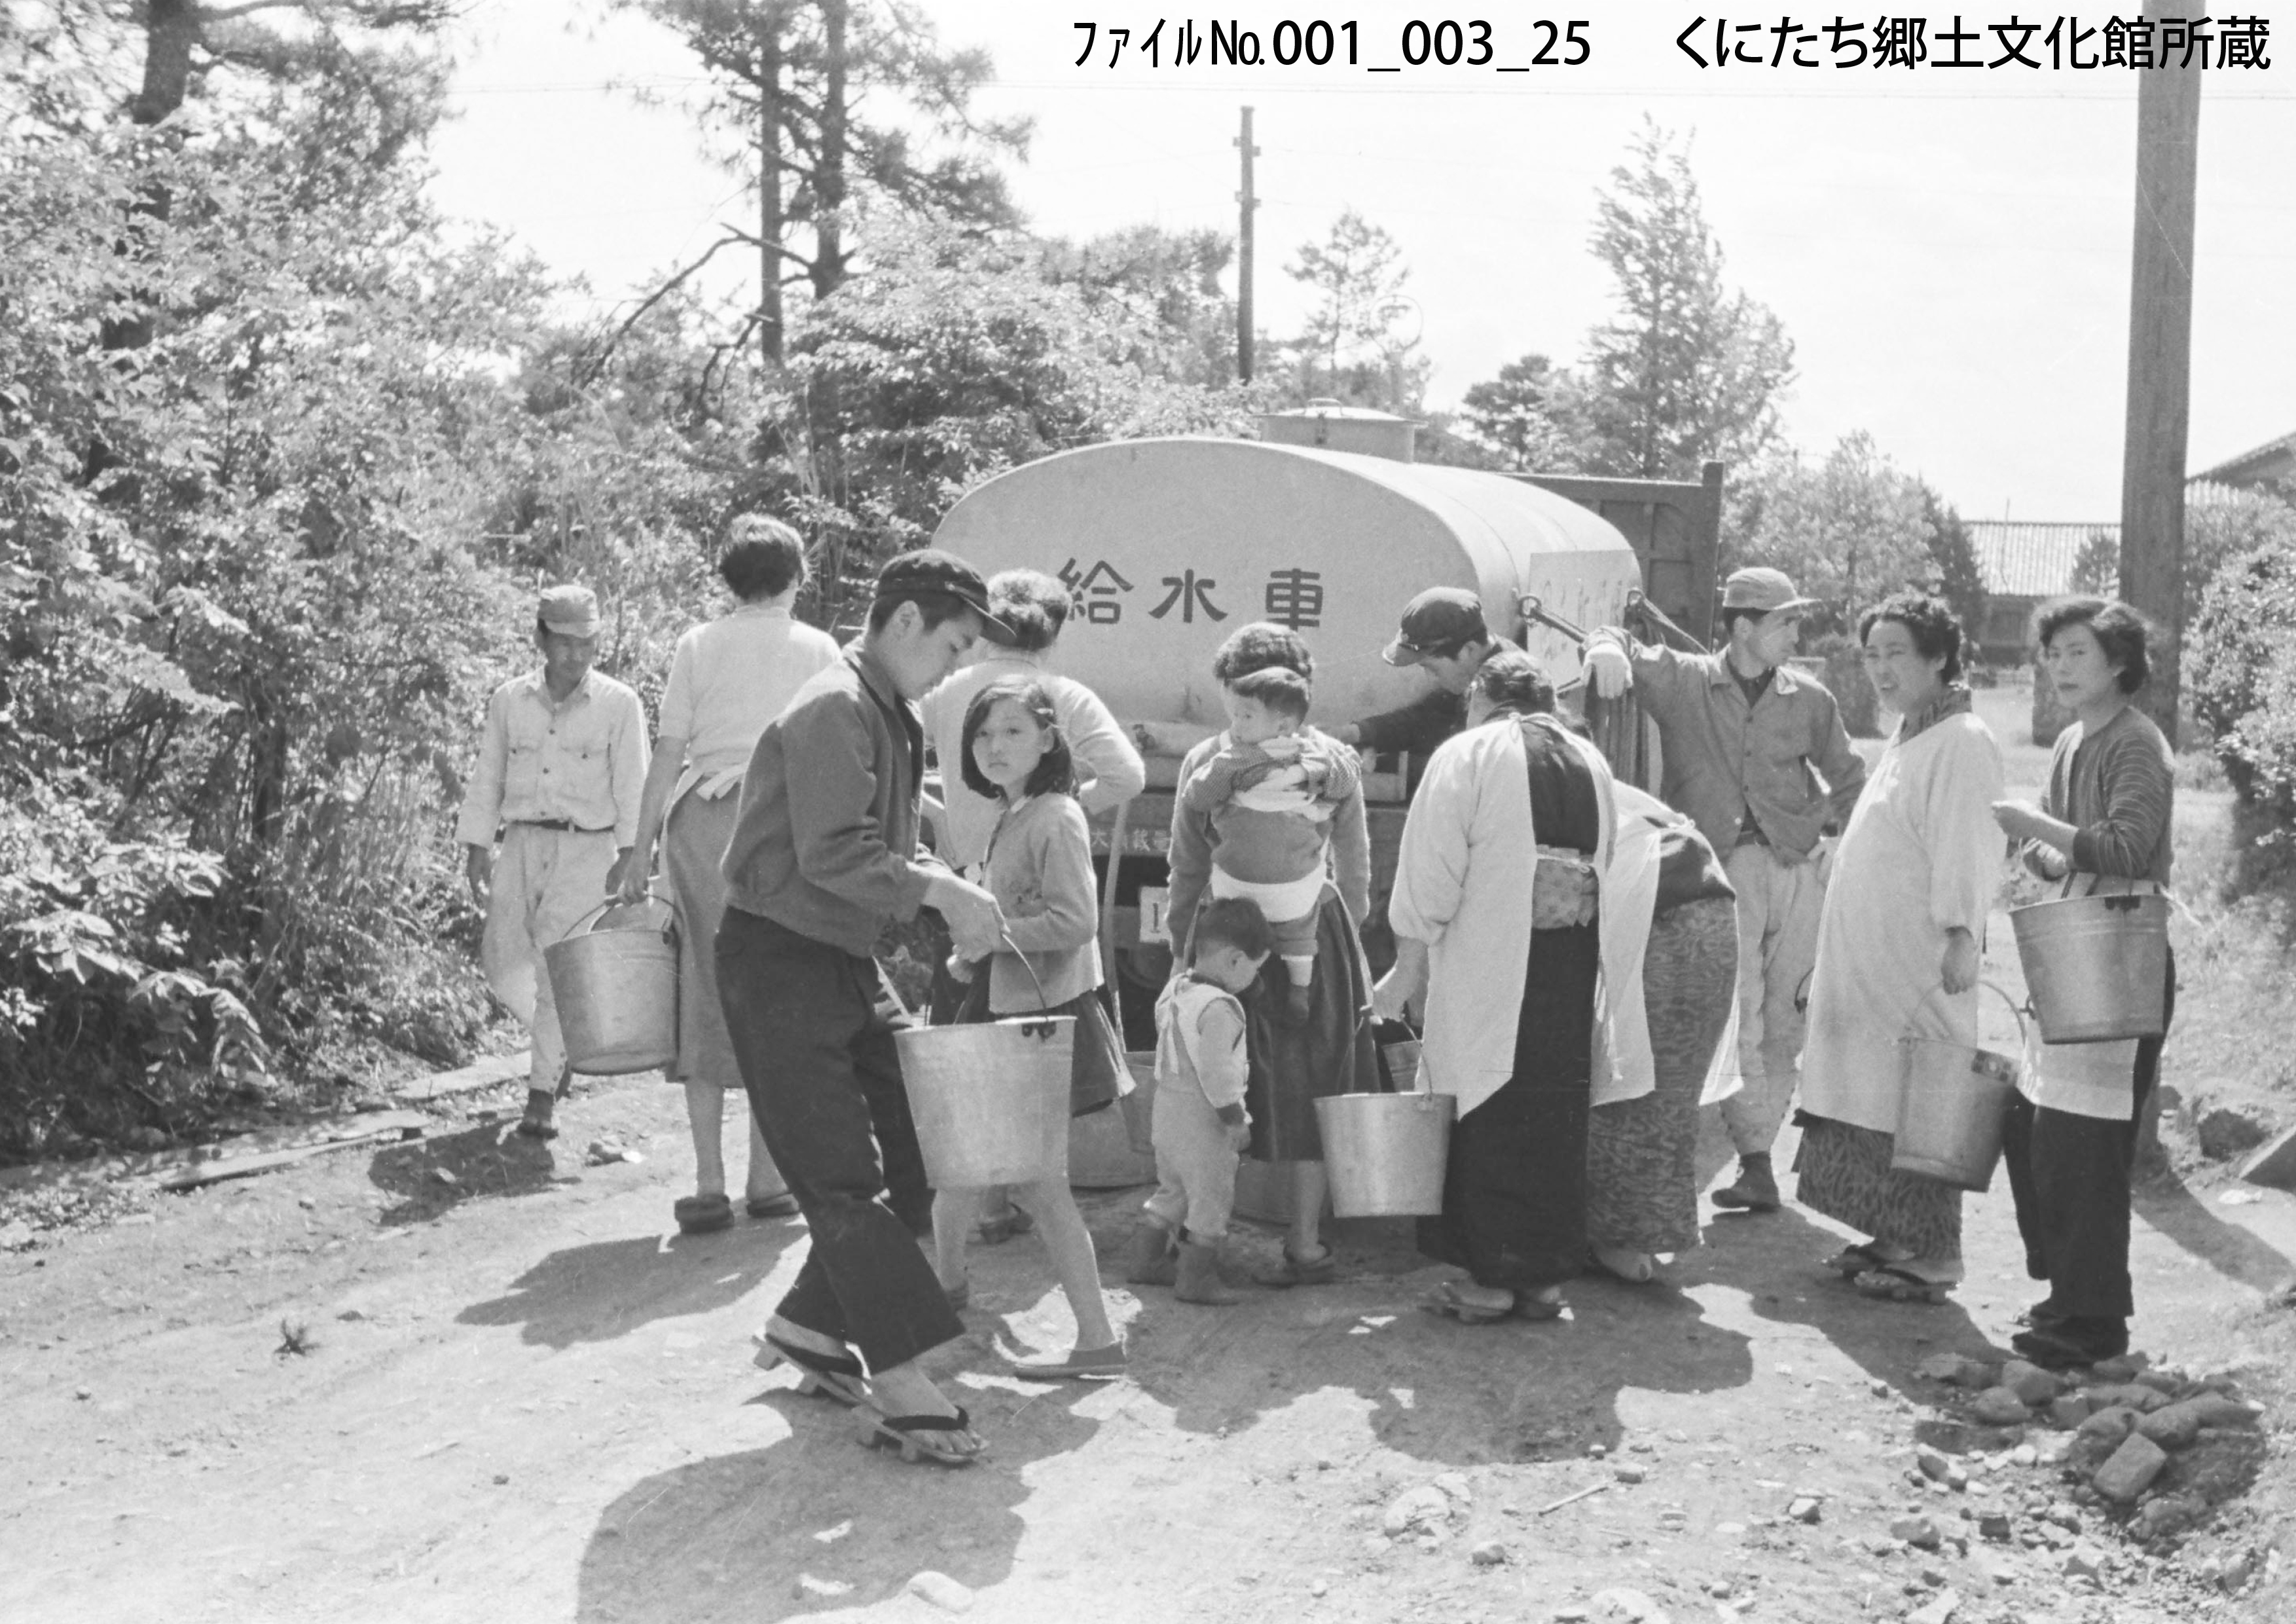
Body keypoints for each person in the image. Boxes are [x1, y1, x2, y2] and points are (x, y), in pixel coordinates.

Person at [715, 548, 1013, 1467]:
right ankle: (897, 1381)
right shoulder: (834, 707)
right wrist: (940, 892)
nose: (958, 664)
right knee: (843, 1179)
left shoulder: (890, 712)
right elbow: (832, 856)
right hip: (779, 957)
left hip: (841, 956)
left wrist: (928, 840)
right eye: (955, 643)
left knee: (923, 1139)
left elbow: (868, 828)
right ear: (905, 623)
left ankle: (811, 1325)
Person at [1584, 566, 1868, 1215]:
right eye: (1784, 622)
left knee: (1788, 1015)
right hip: (1721, 875)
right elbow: (1615, 640)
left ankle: (1760, 1149)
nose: (1797, 633)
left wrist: (1840, 852)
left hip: (1797, 872)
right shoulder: (1684, 681)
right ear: (1743, 627)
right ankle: (1758, 1159)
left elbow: (1852, 782)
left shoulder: (1810, 700)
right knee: (1740, 1014)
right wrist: (1604, 648)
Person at [1376, 650, 1635, 1323]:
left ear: (1479, 701)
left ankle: (1486, 1280)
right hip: (1570, 968)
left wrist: (1409, 960)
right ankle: (1545, 1280)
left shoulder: (1470, 752)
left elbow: (1431, 872)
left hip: (1489, 965)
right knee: (1552, 1112)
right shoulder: (1591, 761)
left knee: (1484, 1106)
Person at [610, 516, 839, 1234]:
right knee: (779, 988)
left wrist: (636, 848)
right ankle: (768, 1179)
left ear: (728, 581)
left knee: (703, 987)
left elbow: (668, 754)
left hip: (703, 825)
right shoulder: (819, 647)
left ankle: (708, 1181)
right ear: (797, 578)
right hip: (783, 822)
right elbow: (830, 754)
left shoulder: (698, 644)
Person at [918, 568, 1143, 1247]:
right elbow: (1129, 774)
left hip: (965, 887)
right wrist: (1067, 806)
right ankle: (1021, 1201)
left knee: (974, 1050)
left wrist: (943, 821)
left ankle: (989, 1205)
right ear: (1055, 630)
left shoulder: (949, 689)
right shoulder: (1064, 693)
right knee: (1023, 1063)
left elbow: (894, 762)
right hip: (1029, 899)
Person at [1795, 593, 2006, 1304]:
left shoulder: (1963, 739)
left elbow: (1968, 845)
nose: (1881, 669)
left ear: (1939, 656)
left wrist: (1962, 933)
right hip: (1871, 959)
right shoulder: (1910, 735)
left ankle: (1933, 1251)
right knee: (1869, 1091)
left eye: (1896, 653)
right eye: (1872, 654)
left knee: (1922, 1097)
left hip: (1920, 957)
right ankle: (1893, 1234)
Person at [1992, 597, 2177, 1369]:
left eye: (2076, 653)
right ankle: (2069, 1290)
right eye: (2054, 654)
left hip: (2121, 961)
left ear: (2119, 663)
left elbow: (2128, 848)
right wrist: (2039, 847)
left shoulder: (2137, 743)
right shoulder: (2073, 738)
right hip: (2076, 956)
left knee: (2085, 1144)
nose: (2060, 668)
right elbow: (2068, 851)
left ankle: (2095, 1319)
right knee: (2031, 1126)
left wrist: (2035, 830)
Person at [1166, 622, 1381, 1287]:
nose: (1239, 723)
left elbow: (1188, 861)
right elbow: (1355, 858)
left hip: (1227, 940)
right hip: (1311, 929)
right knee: (1315, 1076)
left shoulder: (1210, 760)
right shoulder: (1332, 762)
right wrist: (1352, 928)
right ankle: (1305, 1241)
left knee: (1211, 1079)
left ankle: (1196, 1234)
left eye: (1244, 707)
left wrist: (1184, 948)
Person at [928, 678, 1129, 1378]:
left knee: (1039, 1184)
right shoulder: (1017, 813)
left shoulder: (1055, 814)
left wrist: (990, 935)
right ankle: (945, 1288)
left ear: (1047, 739)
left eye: (1013, 731)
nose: (994, 745)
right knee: (961, 1157)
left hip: (1037, 1014)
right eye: (984, 734)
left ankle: (1099, 1341)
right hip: (1006, 1003)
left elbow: (1077, 921)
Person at [458, 583, 648, 1142]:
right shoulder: (509, 699)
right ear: (541, 638)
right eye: (563, 642)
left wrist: (632, 856)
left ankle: (541, 1093)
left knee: (555, 966)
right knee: (502, 959)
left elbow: (633, 784)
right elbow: (487, 774)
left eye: (586, 643)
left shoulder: (619, 704)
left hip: (588, 849)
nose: (575, 654)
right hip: (521, 842)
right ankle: (561, 1047)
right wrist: (477, 847)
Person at [1584, 786, 1741, 1285]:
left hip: (1668, 925)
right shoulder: (1613, 791)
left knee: (1631, 1085)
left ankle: (1625, 1243)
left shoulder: (1552, 787)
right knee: (1664, 1091)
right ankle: (1637, 1239)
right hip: (1708, 916)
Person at [1179, 665, 1361, 1022]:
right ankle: (1300, 990)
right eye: (1235, 716)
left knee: (1235, 938)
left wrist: (1223, 778)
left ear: (1282, 725)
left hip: (1237, 887)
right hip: (1297, 891)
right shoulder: (1319, 757)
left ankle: (1249, 987)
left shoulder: (1234, 757)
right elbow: (1345, 786)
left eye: (1246, 716)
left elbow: (1197, 798)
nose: (1236, 726)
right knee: (1299, 936)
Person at [1128, 897, 1276, 1306]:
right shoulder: (1221, 1009)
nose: (1253, 978)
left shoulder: (1177, 990)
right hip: (1202, 1122)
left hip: (1167, 1114)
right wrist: (1235, 1118)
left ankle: (1145, 1262)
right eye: (1254, 967)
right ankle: (1196, 1280)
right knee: (1211, 1198)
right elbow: (1217, 1072)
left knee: (1171, 1191)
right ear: (1233, 960)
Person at [1332, 587, 1512, 779]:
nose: (1430, 678)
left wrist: (1382, 763)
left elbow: (1467, 772)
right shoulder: (1477, 670)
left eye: (1433, 668)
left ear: (1469, 650)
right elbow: (1426, 719)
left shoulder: (1510, 693)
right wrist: (1357, 733)